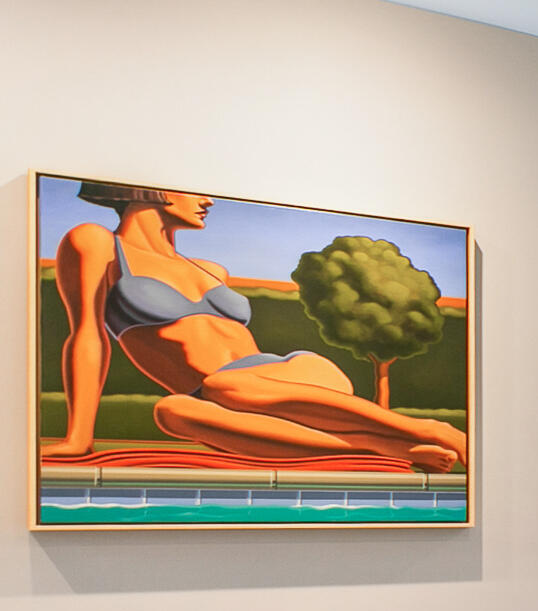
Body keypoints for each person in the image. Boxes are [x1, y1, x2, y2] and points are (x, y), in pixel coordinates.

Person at [43, 182, 468, 472]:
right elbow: (87, 335)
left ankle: (428, 430)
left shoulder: (211, 269)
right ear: (145, 192)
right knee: (172, 410)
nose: (207, 200)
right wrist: (80, 437)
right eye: (194, 190)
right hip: (223, 397)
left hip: (291, 374)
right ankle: (386, 448)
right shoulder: (95, 242)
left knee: (227, 387)